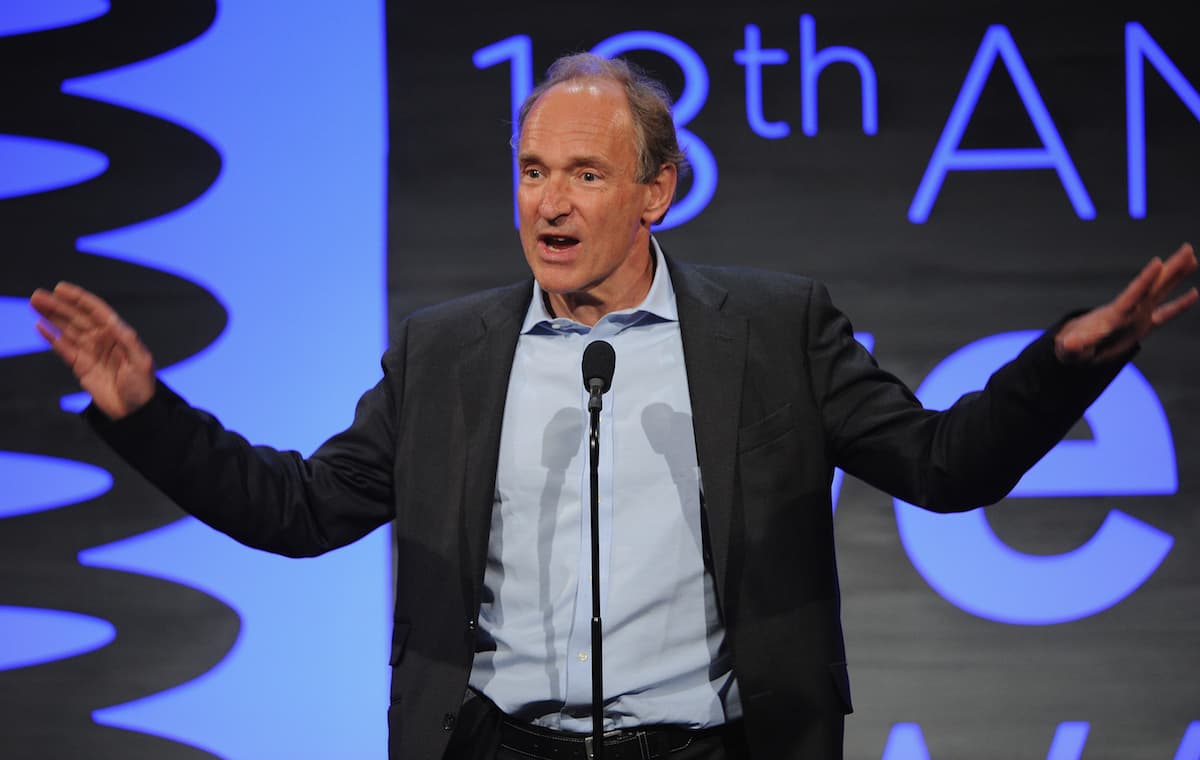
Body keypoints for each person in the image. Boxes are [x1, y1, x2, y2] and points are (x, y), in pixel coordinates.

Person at [30, 53, 1197, 760]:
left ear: (657, 191)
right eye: (533, 170)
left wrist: (1066, 364)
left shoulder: (774, 330)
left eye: (586, 174)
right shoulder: (449, 353)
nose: (549, 203)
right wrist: (147, 412)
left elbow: (946, 466)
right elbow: (299, 509)